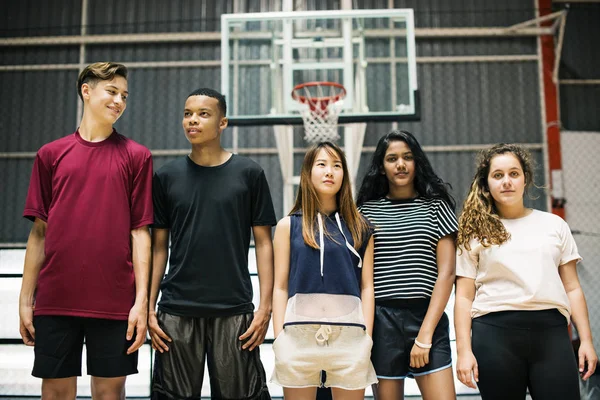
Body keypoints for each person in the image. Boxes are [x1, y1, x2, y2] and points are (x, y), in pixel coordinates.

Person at [19, 62, 153, 399]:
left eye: (124, 95)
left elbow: (140, 234)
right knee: (56, 394)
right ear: (86, 90)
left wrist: (141, 302)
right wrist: (25, 300)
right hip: (55, 301)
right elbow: (39, 234)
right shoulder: (50, 155)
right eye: (112, 91)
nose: (119, 100)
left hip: (115, 302)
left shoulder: (137, 157)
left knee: (109, 394)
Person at [149, 88, 276, 400]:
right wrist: (148, 307)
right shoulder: (166, 176)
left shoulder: (249, 173)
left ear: (222, 123)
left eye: (203, 114)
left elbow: (264, 244)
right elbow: (158, 248)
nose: (192, 120)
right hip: (176, 311)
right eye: (187, 113)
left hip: (234, 310)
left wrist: (265, 306)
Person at [454, 143, 598, 400]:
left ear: (525, 179)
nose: (506, 181)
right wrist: (464, 351)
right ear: (486, 184)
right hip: (494, 336)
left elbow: (572, 287)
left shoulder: (554, 225)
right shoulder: (474, 232)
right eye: (498, 175)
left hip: (551, 334)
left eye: (514, 173)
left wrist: (586, 340)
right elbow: (464, 297)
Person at [271, 141, 377, 399]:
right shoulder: (287, 226)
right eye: (322, 164)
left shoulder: (362, 227)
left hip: (350, 339)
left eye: (337, 165)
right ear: (307, 173)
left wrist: (367, 339)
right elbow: (280, 286)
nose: (330, 171)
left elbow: (367, 286)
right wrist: (279, 340)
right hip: (297, 338)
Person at [356, 130, 457, 400]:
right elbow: (362, 279)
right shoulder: (367, 212)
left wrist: (425, 336)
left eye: (407, 157)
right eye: (392, 158)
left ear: (417, 162)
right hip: (382, 321)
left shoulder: (436, 207)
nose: (400, 164)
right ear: (381, 167)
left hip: (427, 318)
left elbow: (446, 274)